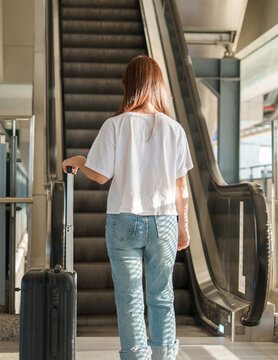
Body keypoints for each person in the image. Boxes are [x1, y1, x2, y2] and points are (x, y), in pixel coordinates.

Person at [62, 55, 193, 360]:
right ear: (159, 85)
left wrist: (80, 161)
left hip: (124, 220)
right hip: (164, 222)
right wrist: (183, 226)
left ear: (128, 86)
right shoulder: (174, 129)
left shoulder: (115, 125)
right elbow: (181, 188)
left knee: (130, 297)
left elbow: (100, 174)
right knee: (162, 296)